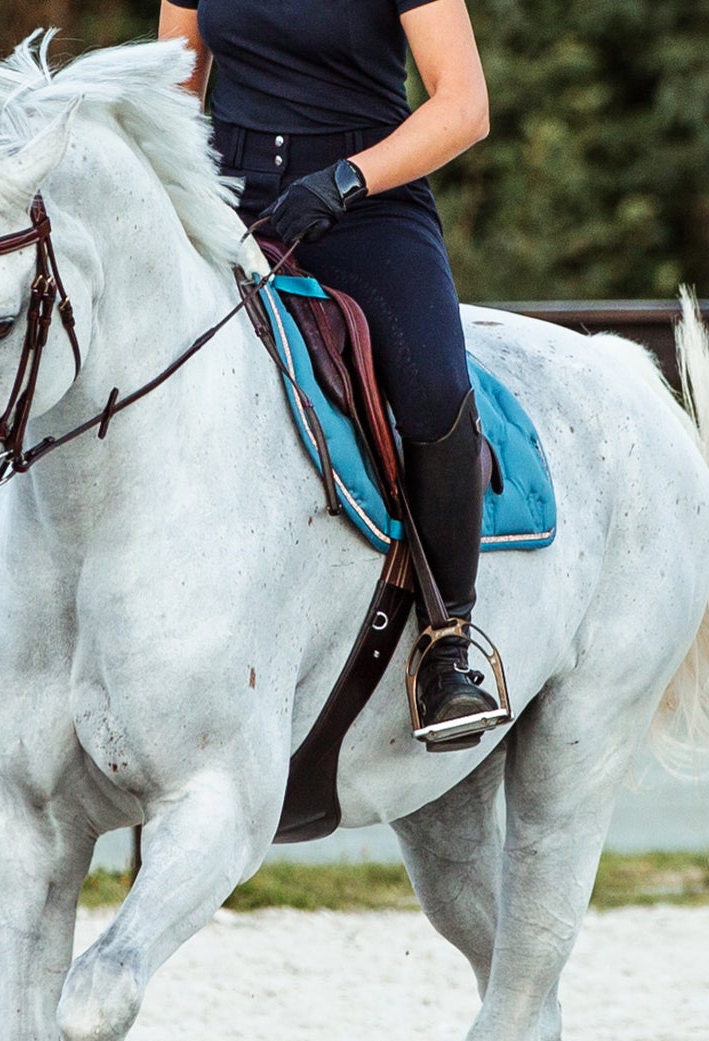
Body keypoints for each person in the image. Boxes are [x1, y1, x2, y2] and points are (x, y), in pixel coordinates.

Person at [160, 0, 507, 749]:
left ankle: (448, 646)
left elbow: (464, 104)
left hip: (366, 201)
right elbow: (172, 88)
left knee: (433, 386)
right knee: (80, 332)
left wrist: (348, 180)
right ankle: (1, 613)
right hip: (223, 194)